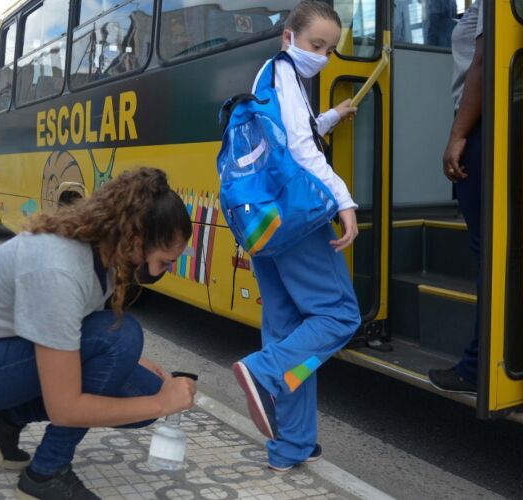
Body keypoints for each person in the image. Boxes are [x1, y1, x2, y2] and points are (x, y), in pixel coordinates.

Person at [0, 168, 196, 499]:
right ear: (136, 240)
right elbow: (66, 407)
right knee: (125, 343)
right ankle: (47, 472)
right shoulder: (58, 268)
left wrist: (146, 381)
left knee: (142, 386)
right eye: (164, 262)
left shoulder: (103, 252)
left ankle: (8, 416)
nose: (161, 272)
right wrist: (161, 403)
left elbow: (80, 329)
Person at [231, 0, 362, 472]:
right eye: (316, 44)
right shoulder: (285, 72)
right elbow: (301, 151)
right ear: (289, 36)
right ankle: (262, 373)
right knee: (339, 316)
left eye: (329, 49)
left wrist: (331, 116)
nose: (323, 56)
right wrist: (344, 201)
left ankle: (290, 446)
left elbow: (289, 132)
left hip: (264, 220)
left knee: (289, 330)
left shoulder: (269, 76)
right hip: (296, 217)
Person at [428, 0, 484, 395]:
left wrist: (457, 135)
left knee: (487, 253)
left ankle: (476, 367)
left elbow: (483, 63)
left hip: (481, 127)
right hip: (489, 122)